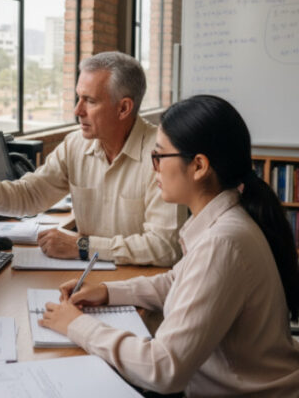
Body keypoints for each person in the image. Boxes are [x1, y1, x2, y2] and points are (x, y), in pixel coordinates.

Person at [39, 95, 299, 396]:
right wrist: (108, 292)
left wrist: (77, 326)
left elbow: (163, 370)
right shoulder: (225, 220)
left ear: (199, 166)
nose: (154, 169)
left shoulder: (223, 242)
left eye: (159, 157)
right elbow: (177, 281)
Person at [0, 52, 183, 266]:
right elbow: (29, 196)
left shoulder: (163, 154)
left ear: (123, 108)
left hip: (140, 285)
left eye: (90, 101)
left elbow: (164, 247)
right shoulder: (75, 145)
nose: (77, 111)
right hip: (90, 278)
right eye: (78, 97)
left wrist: (83, 246)